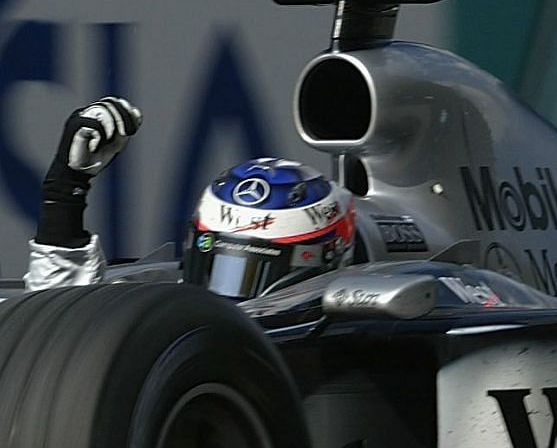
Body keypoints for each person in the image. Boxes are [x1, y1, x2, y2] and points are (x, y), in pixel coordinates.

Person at [25, 98, 356, 299]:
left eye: (257, 272)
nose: (230, 296)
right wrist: (64, 191)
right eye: (219, 265)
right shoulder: (170, 313)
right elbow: (54, 323)